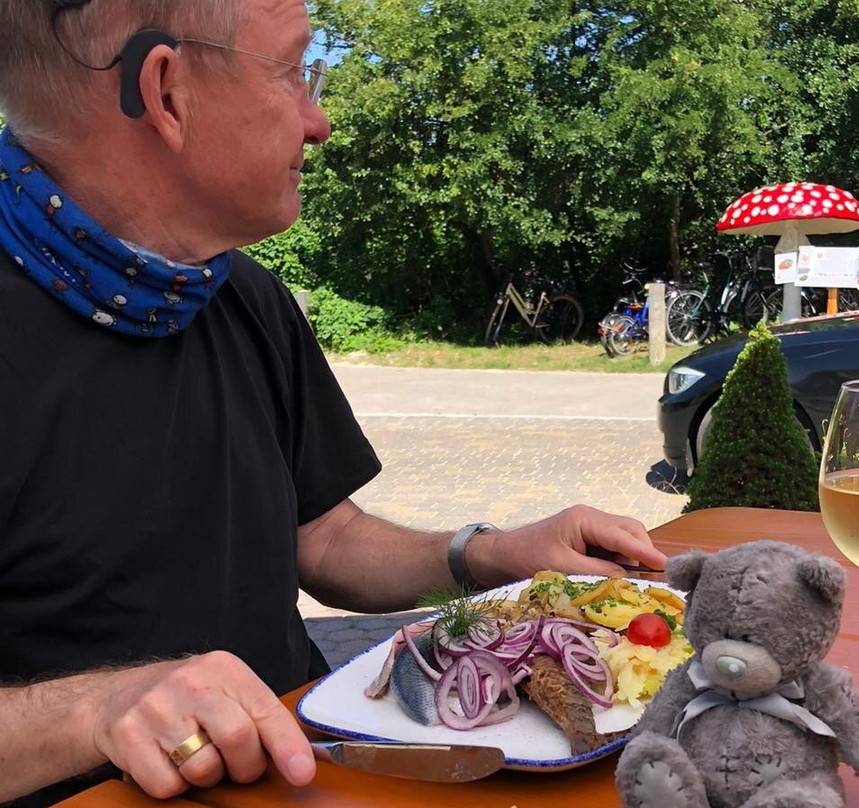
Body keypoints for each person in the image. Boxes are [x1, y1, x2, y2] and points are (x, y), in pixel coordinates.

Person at [0, 1, 667, 806]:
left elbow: (325, 538)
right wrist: (93, 712)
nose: (318, 124)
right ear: (167, 93)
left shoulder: (239, 294)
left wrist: (495, 555)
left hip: (310, 773)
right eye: (292, 72)